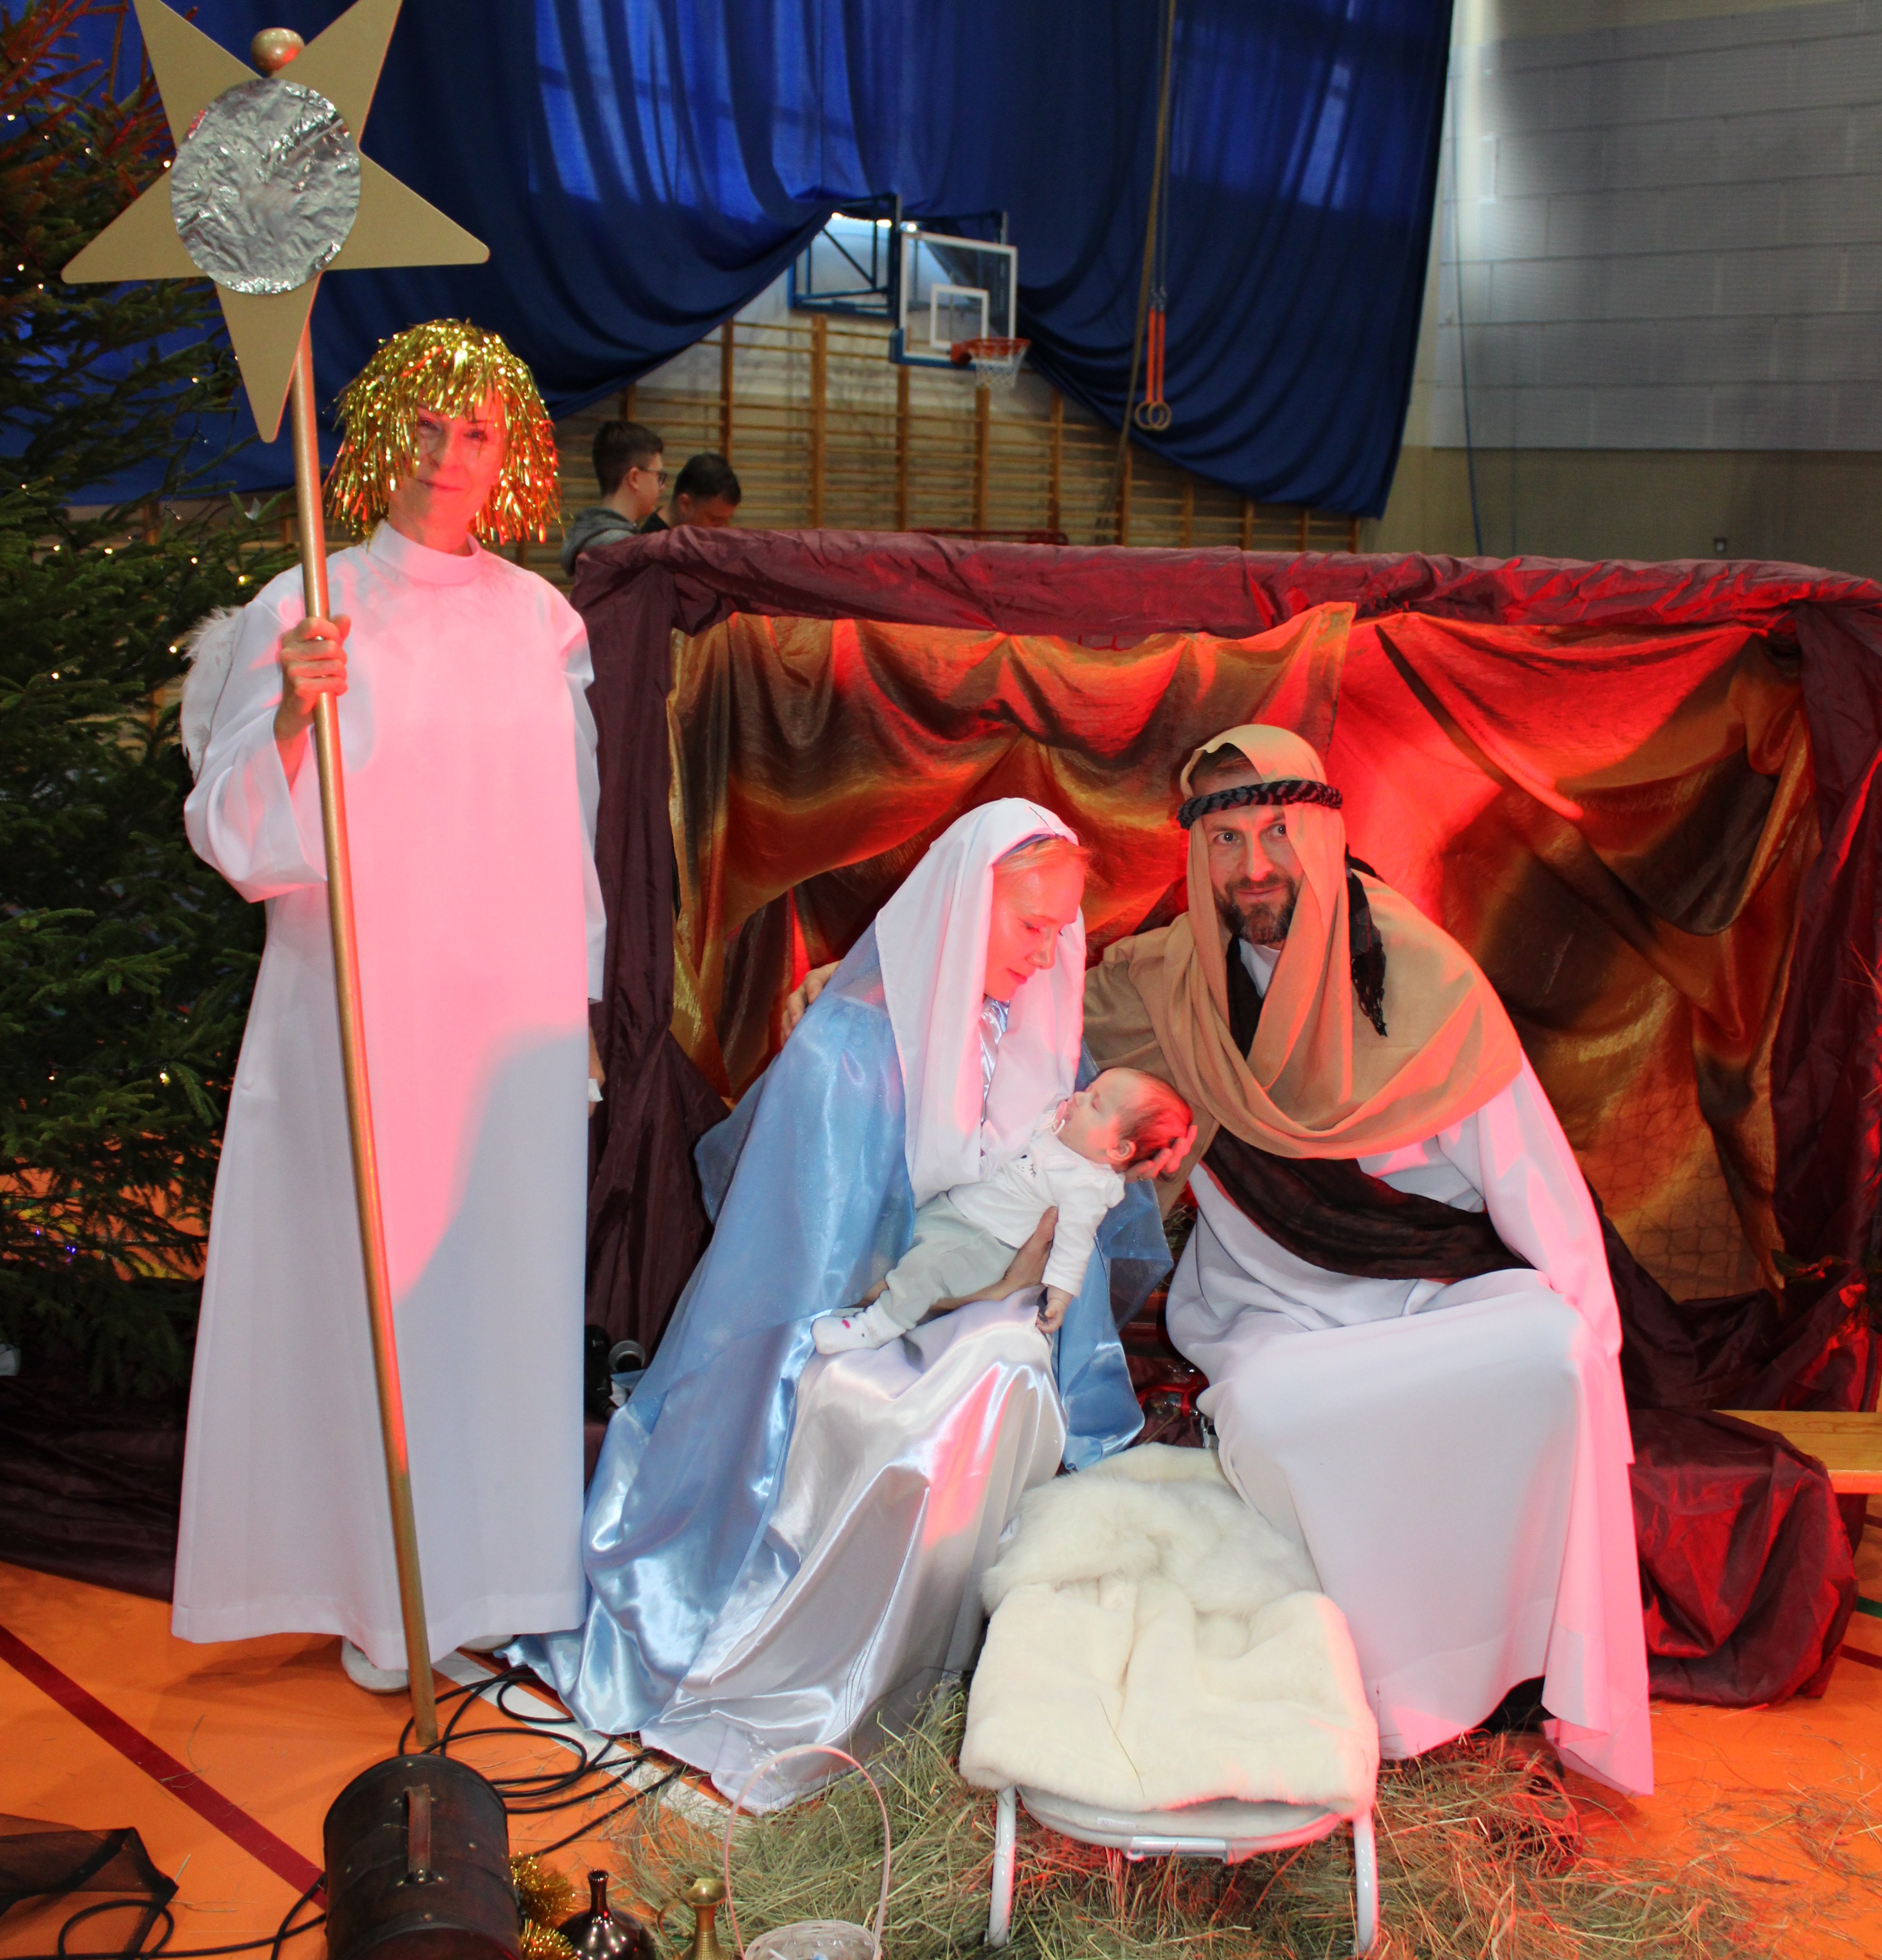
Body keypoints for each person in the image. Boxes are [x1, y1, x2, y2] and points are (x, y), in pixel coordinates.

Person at [518, 802, 1183, 1800]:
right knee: (976, 1391)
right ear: (964, 907)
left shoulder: (1042, 1044)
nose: (1048, 957)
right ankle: (858, 1683)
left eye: (1061, 932)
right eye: (1029, 926)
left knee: (1009, 1368)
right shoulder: (855, 1045)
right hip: (855, 1331)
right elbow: (802, 1266)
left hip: (984, 1314)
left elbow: (1068, 1237)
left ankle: (937, 1671)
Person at [1080, 724, 1653, 1799]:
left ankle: (1513, 1681)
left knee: (1554, 1352)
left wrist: (1600, 1366)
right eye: (1226, 839)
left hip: (1427, 1302)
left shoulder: (1423, 976)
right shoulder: (1165, 980)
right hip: (1271, 1318)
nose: (1254, 865)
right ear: (1197, 853)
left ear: (1325, 835)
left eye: (1277, 832)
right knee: (1273, 1410)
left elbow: (1530, 1175)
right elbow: (1017, 1014)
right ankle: (1364, 1696)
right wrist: (870, 989)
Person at [174, 321, 606, 1689]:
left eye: (475, 431)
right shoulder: (305, 603)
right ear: (378, 434)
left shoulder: (540, 621)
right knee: (368, 1301)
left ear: (511, 453)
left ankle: (492, 1577)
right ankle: (379, 1595)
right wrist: (289, 715)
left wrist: (579, 1002)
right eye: (425, 425)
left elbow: (569, 831)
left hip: (506, 1027)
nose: (446, 454)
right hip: (357, 1012)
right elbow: (234, 831)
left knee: (497, 1297)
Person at [813, 1067, 1191, 1353]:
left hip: (982, 1243)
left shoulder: (1086, 1186)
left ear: (1119, 1150)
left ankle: (875, 1327)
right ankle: (849, 1300)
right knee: (895, 1248)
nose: (1078, 1097)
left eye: (1094, 1103)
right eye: (1087, 1089)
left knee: (925, 1272)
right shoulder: (1056, 1128)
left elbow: (1074, 1244)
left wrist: (1060, 1295)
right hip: (954, 1212)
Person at [559, 416, 666, 570]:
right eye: (659, 476)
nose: (662, 487)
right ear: (635, 478)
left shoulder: (591, 536)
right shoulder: (621, 549)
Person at [669, 450, 742, 528]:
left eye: (726, 521)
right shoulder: (660, 535)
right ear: (685, 505)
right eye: (715, 519)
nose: (722, 529)